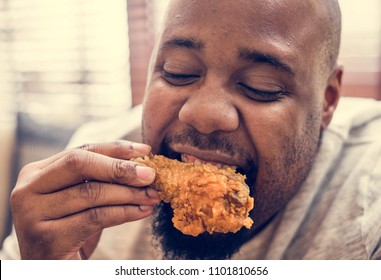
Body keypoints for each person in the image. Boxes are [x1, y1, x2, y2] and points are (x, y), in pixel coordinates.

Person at [1, 0, 381, 260]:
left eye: (261, 86)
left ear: (327, 100)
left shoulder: (370, 198)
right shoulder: (87, 177)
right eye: (177, 72)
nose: (203, 114)